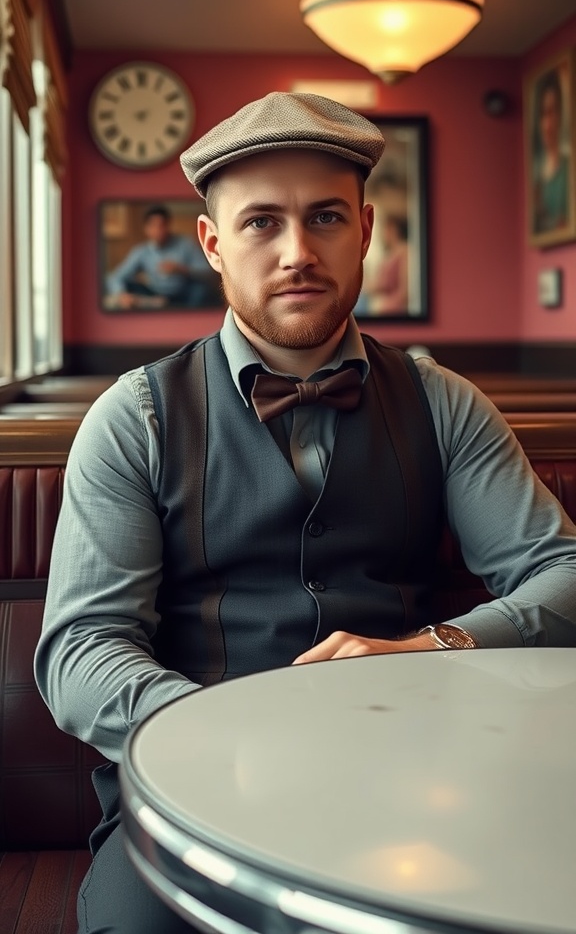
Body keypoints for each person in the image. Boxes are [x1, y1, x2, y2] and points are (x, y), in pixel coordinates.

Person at [35, 91, 576, 934]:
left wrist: (436, 646)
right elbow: (80, 651)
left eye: (324, 217)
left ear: (363, 229)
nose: (297, 252)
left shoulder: (443, 401)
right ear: (213, 244)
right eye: (260, 223)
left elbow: (565, 573)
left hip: (422, 771)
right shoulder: (134, 416)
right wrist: (220, 731)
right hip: (195, 793)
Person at [105, 203, 219, 308]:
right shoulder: (141, 251)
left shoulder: (186, 244)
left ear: (168, 225)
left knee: (201, 290)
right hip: (154, 293)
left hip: (183, 292)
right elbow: (115, 277)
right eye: (153, 226)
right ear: (146, 229)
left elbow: (207, 271)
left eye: (161, 225)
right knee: (129, 287)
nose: (158, 230)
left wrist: (182, 269)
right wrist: (121, 294)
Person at [531, 69, 570, 236]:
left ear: (561, 114)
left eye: (552, 112)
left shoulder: (569, 168)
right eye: (543, 114)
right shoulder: (535, 171)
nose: (548, 124)